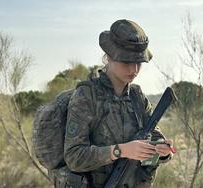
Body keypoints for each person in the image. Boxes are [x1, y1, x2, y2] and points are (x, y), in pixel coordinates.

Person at [63, 19, 174, 188]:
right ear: (109, 57)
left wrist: (162, 152)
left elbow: (154, 142)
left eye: (139, 63)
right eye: (127, 62)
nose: (134, 70)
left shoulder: (138, 97)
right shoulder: (87, 96)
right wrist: (119, 150)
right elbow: (74, 157)